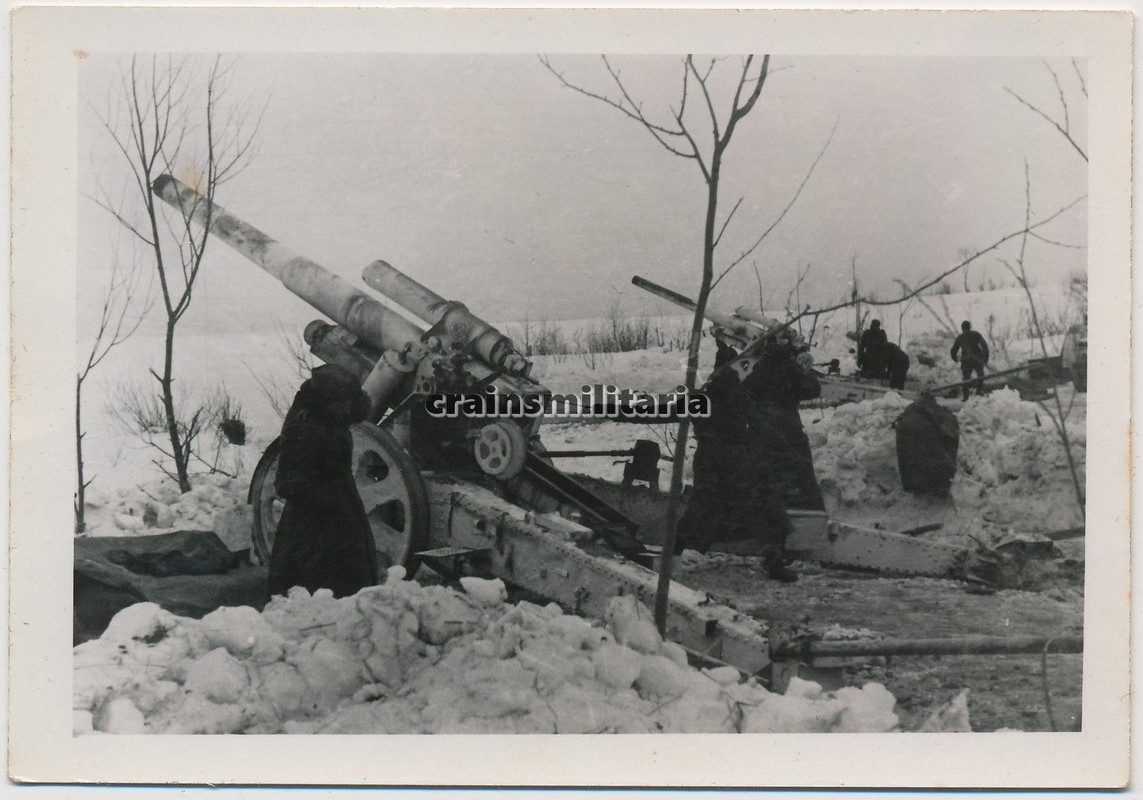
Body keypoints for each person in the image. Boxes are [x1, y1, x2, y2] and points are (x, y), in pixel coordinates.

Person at [267, 364, 379, 601]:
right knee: (314, 587)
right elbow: (286, 482)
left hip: (340, 510)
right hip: (312, 524)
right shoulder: (303, 427)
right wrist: (329, 501)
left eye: (350, 402)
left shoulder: (333, 419)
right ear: (327, 401)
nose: (348, 408)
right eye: (342, 402)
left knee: (350, 582)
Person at [950, 320, 990, 401]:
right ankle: (977, 392)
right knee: (979, 375)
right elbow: (984, 346)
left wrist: (955, 358)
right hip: (975, 359)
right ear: (969, 327)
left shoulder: (961, 337)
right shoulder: (975, 334)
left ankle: (966, 396)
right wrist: (985, 358)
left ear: (962, 328)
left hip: (968, 360)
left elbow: (954, 350)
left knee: (967, 378)